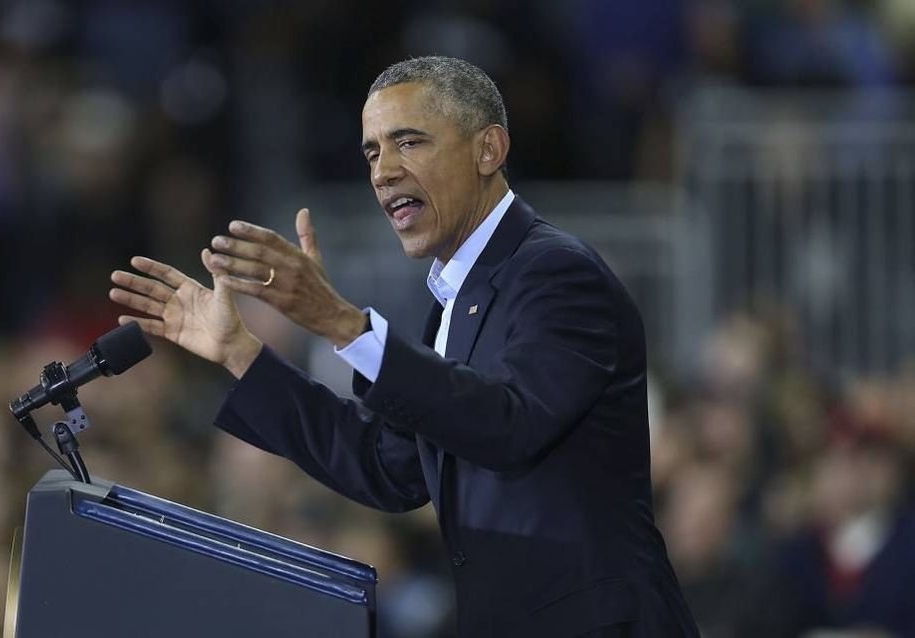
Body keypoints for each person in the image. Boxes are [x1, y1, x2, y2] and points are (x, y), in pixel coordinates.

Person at [109, 56, 699, 637]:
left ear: (488, 150)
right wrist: (240, 352)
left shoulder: (557, 274)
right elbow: (389, 469)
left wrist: (342, 324)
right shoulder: (451, 302)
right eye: (372, 151)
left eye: (409, 142)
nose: (383, 172)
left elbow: (509, 424)